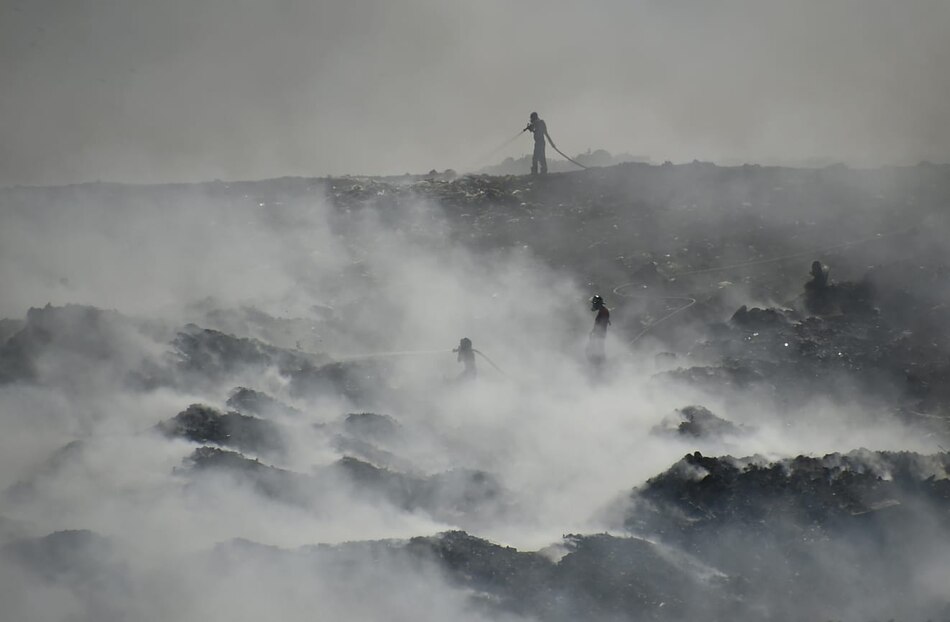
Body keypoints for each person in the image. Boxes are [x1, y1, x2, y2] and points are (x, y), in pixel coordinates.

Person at [587, 295, 610, 366]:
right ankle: (599, 364)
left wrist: (594, 333)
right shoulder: (603, 311)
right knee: (596, 350)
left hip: (599, 335)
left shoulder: (603, 312)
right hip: (599, 335)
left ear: (596, 303)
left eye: (593, 303)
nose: (593, 305)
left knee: (597, 351)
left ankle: (599, 366)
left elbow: (601, 325)